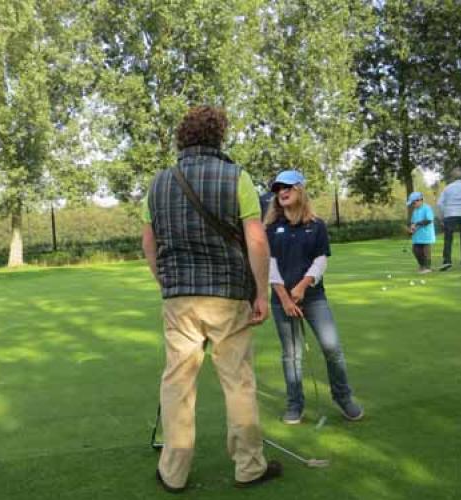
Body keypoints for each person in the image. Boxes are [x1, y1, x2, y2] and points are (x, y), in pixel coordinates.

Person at [141, 106, 282, 492]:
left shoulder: (158, 183)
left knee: (177, 384)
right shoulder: (237, 177)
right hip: (229, 295)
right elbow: (256, 240)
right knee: (238, 382)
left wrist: (164, 280)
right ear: (219, 136)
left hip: (179, 298)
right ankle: (249, 466)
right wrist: (261, 292)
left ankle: (173, 472)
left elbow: (149, 242)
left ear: (182, 137)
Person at [264, 170, 363, 425]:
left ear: (300, 190)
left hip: (313, 297)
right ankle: (295, 404)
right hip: (281, 300)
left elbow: (320, 260)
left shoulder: (316, 225)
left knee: (332, 347)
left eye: (287, 187)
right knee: (292, 354)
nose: (282, 192)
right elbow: (269, 265)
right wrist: (285, 298)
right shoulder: (271, 228)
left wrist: (302, 286)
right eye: (278, 189)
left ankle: (342, 397)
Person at [407, 192, 436, 274]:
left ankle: (427, 267)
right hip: (417, 236)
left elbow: (429, 220)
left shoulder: (427, 208)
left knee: (426, 252)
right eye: (412, 204)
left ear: (419, 200)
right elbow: (413, 222)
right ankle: (422, 266)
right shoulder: (415, 211)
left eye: (414, 203)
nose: (413, 205)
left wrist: (416, 224)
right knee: (415, 251)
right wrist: (411, 228)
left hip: (426, 235)